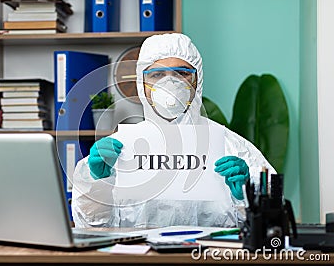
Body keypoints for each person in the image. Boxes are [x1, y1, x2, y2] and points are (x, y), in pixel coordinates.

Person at [72, 33, 275, 228]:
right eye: (157, 74)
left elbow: (270, 225)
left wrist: (245, 195)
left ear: (197, 81)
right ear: (142, 84)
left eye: (182, 73)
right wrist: (98, 183)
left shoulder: (231, 147)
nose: (170, 83)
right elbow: (90, 226)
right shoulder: (121, 150)